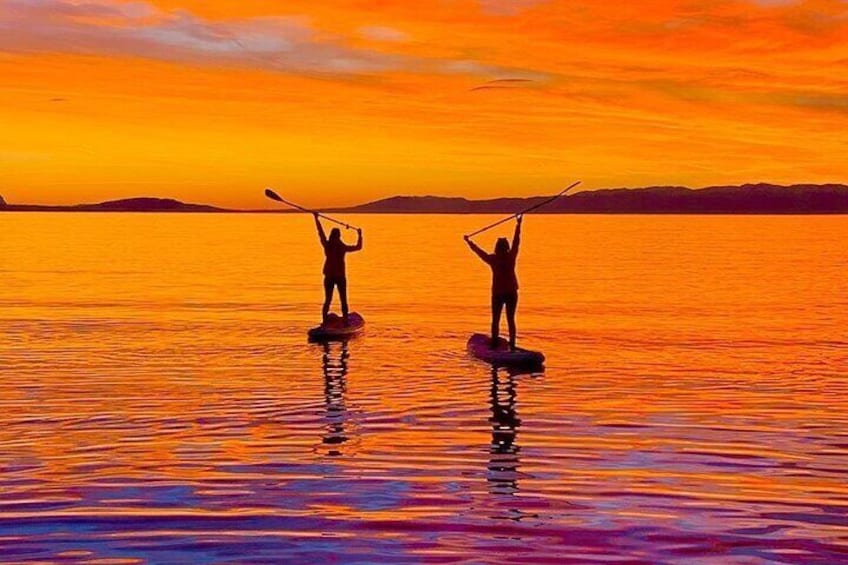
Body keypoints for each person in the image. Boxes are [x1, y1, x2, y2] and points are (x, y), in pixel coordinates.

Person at [464, 215, 522, 351]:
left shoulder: (493, 259)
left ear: (496, 247)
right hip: (511, 292)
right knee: (510, 319)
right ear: (506, 247)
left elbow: (479, 252)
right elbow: (516, 242)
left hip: (498, 294)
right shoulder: (510, 256)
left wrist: (469, 242)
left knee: (496, 320)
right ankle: (512, 345)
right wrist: (518, 225)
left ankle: (495, 344)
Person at [314, 212, 362, 325]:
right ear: (338, 236)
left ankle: (330, 321)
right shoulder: (341, 247)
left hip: (333, 277)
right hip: (337, 277)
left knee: (331, 300)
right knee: (338, 299)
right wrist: (359, 235)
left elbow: (320, 233)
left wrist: (317, 220)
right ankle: (339, 321)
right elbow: (359, 247)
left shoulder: (329, 245)